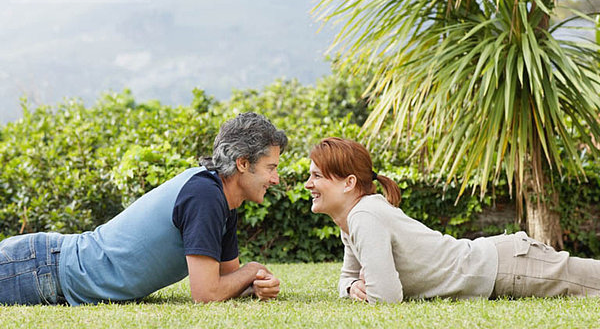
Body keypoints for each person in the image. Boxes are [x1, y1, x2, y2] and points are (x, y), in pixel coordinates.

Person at [0, 112, 287, 306]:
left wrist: (255, 285)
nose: (275, 178)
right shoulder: (204, 195)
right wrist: (253, 270)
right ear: (242, 163)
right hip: (40, 268)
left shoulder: (224, 202)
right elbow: (206, 294)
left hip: (49, 270)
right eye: (270, 168)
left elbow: (226, 280)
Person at [305, 137, 600, 303]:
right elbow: (348, 279)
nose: (308, 184)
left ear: (349, 183)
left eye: (317, 176)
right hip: (502, 266)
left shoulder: (365, 215)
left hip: (510, 266)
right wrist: (351, 288)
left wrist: (364, 289)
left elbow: (386, 299)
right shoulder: (354, 218)